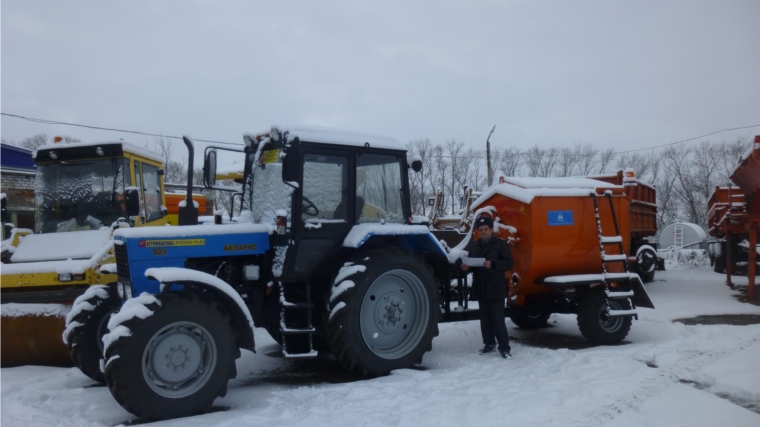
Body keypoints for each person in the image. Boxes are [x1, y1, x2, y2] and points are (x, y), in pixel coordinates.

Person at [460, 215, 515, 359]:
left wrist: (494, 264)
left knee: (498, 320)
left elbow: (509, 263)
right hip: (481, 287)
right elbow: (472, 264)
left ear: (491, 229)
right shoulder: (474, 246)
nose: (483, 231)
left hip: (495, 288)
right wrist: (466, 267)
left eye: (486, 229)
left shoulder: (501, 245)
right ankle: (489, 344)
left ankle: (504, 348)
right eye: (481, 229)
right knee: (485, 320)